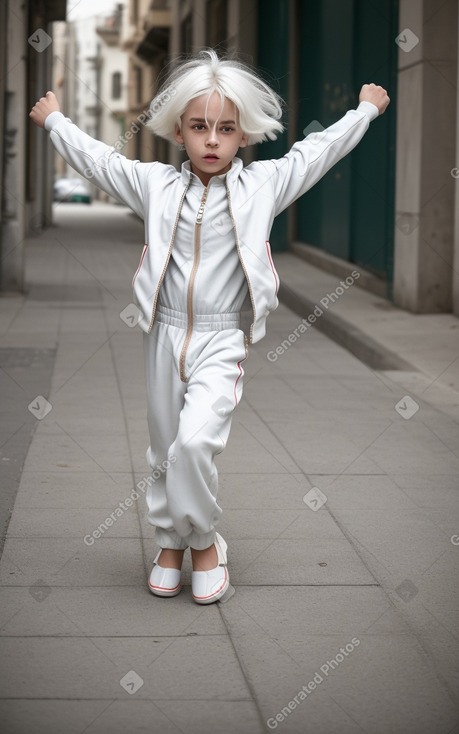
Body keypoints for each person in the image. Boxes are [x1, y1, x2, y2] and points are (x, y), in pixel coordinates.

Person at [29, 48, 390, 605]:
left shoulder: (262, 186)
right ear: (179, 131)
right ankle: (168, 543)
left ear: (243, 135)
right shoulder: (155, 186)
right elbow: (101, 161)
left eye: (226, 128)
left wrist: (362, 112)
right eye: (200, 127)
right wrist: (56, 121)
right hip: (163, 334)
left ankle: (204, 546)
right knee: (163, 448)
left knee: (195, 442)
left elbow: (315, 152)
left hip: (222, 338)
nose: (213, 140)